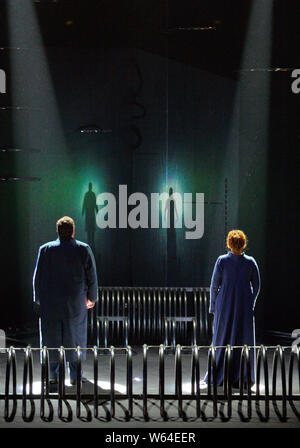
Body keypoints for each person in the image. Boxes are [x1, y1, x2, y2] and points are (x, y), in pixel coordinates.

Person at [33, 216, 98, 386]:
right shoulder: (83, 249)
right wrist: (92, 297)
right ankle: (75, 377)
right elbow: (91, 275)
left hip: (51, 304)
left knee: (51, 339)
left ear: (58, 231)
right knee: (74, 338)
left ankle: (53, 376)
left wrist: (38, 298)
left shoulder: (45, 249)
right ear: (73, 231)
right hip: (75, 304)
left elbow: (37, 277)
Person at [202, 229, 260, 388]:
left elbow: (214, 285)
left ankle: (218, 373)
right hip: (244, 306)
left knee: (221, 338)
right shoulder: (251, 262)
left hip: (225, 305)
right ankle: (243, 376)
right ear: (243, 244)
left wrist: (213, 306)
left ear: (229, 243)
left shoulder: (222, 261)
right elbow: (257, 286)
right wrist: (251, 302)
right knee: (243, 339)